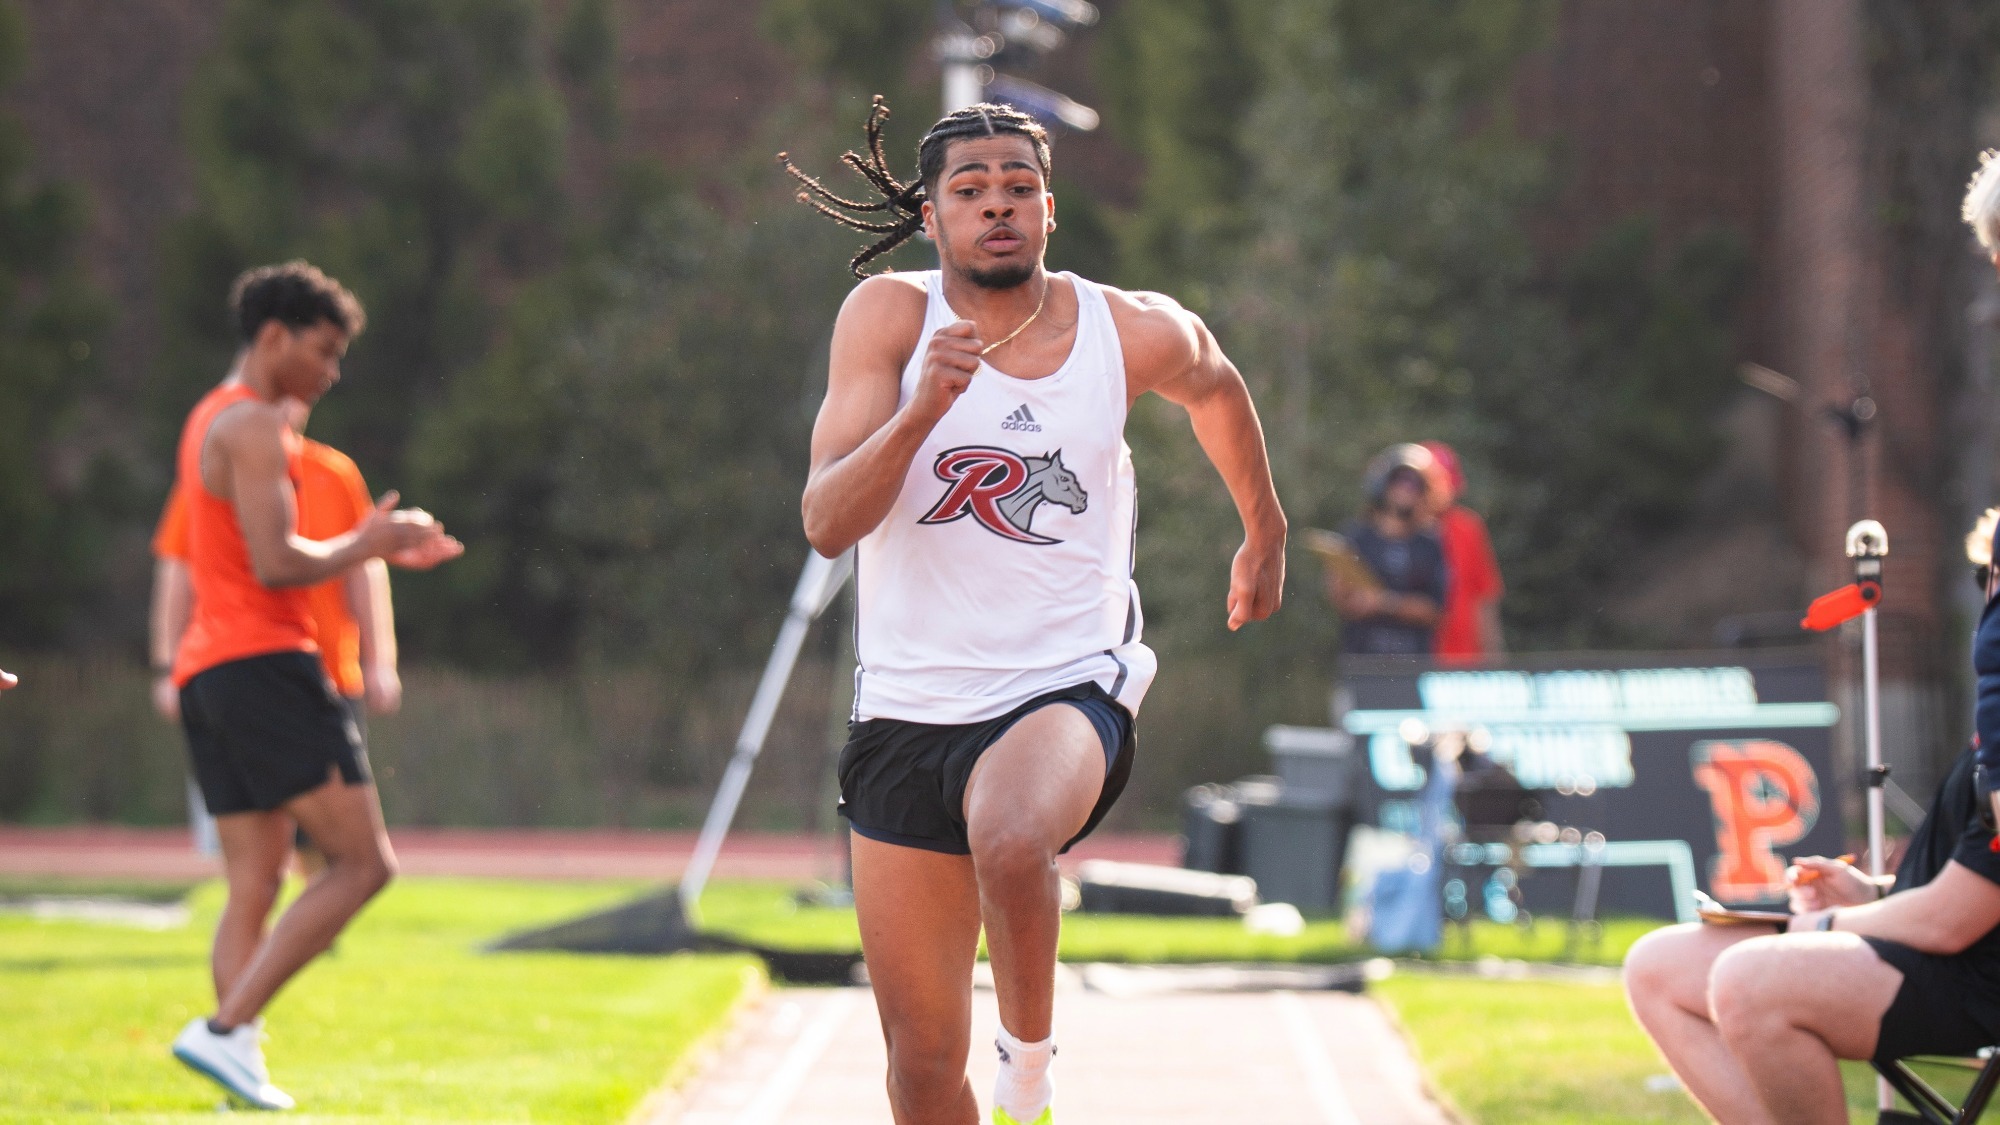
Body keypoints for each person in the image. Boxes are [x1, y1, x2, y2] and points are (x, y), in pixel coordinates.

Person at [783, 98, 1285, 1125]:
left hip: (1062, 688)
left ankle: (1028, 1081)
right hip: (906, 713)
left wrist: (1264, 529)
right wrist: (921, 409)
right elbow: (828, 522)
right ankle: (984, 1087)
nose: (995, 207)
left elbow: (1217, 387)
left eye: (1016, 188)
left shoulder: (1124, 328)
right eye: (969, 192)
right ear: (932, 219)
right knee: (919, 1070)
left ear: (1049, 210)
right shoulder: (885, 320)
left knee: (1011, 839)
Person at [164, 261, 461, 1110]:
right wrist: (373, 541)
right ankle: (223, 1031)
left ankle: (236, 1063)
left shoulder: (205, 418)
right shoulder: (255, 425)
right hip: (265, 665)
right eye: (323, 353)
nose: (331, 373)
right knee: (364, 864)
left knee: (255, 880)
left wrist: (377, 542)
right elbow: (278, 561)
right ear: (273, 337)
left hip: (207, 675)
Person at [1622, 508, 2000, 1124]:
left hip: (1970, 980)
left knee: (1750, 980)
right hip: (1934, 949)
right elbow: (1959, 889)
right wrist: (1870, 892)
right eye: (1989, 574)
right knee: (1658, 967)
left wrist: (1831, 926)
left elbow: (1951, 924)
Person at [154, 395, 402, 874]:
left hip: (326, 671)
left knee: (335, 852)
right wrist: (167, 663)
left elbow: (363, 568)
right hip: (246, 668)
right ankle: (280, 939)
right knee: (269, 862)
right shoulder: (209, 473)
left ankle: (304, 935)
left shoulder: (334, 471)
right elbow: (178, 569)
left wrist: (380, 661)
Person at [1328, 443, 1446, 657]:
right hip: (1361, 661)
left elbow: (1434, 610)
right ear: (1382, 484)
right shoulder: (1357, 537)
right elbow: (1341, 598)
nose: (1406, 490)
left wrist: (1385, 603)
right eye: (1400, 481)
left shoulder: (1430, 543)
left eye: (1415, 484)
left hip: (1412, 666)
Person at [1419, 440, 1503, 665]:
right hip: (1414, 657)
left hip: (1462, 658)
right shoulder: (1397, 532)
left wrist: (1494, 658)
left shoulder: (1468, 527)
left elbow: (1484, 596)